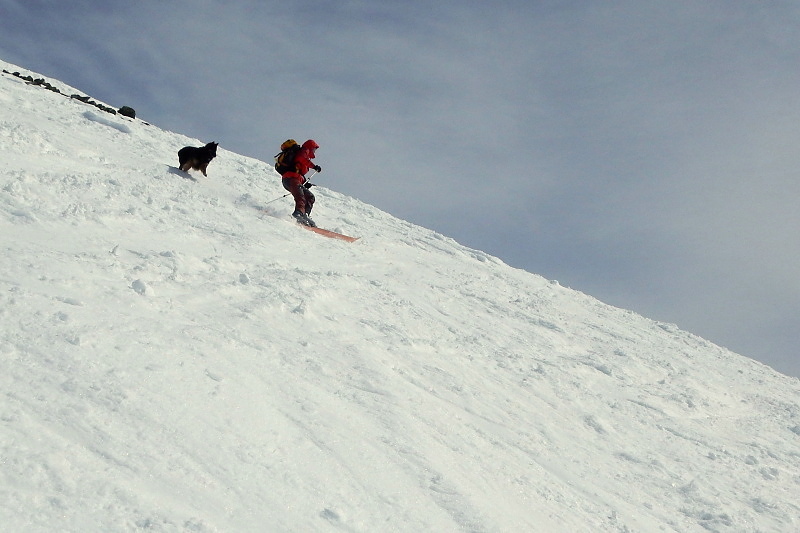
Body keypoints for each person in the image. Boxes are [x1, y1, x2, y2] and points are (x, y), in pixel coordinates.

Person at [280, 139, 322, 227]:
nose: (314, 151)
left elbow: (297, 172)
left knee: (310, 197)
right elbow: (301, 159)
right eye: (314, 149)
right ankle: (298, 214)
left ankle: (304, 215)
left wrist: (304, 182)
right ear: (311, 147)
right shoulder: (304, 151)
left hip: (293, 180)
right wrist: (314, 167)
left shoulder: (305, 155)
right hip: (290, 179)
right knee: (301, 197)